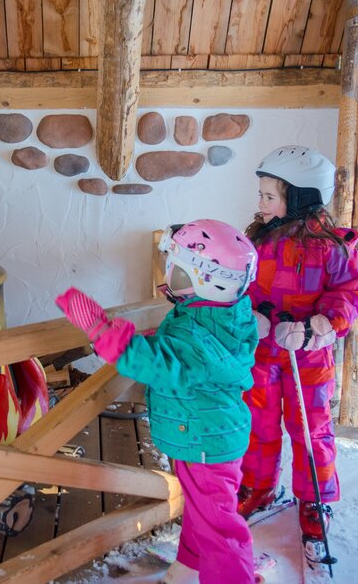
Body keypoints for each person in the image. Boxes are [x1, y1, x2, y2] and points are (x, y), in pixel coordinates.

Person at [56, 219, 262, 584]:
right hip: (206, 436)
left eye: (177, 267)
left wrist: (100, 329)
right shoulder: (221, 314)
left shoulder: (195, 336)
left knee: (219, 528)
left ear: (201, 277)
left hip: (203, 442)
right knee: (202, 514)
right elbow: (183, 355)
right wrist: (157, 336)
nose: (170, 272)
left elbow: (153, 362)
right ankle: (188, 567)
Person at [236, 145, 358, 545]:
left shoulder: (333, 247)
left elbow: (353, 290)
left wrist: (320, 327)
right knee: (257, 425)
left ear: (299, 197)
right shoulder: (256, 240)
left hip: (307, 356)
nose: (260, 204)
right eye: (261, 195)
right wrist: (250, 317)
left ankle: (315, 498)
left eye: (269, 196)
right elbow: (238, 284)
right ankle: (257, 485)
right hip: (262, 351)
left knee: (310, 428)